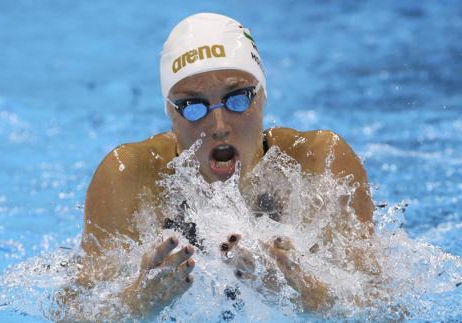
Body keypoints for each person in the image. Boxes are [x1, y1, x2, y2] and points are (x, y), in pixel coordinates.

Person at [73, 12, 374, 319]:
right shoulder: (130, 176)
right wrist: (136, 304)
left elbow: (387, 306)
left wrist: (309, 297)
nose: (218, 125)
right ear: (171, 115)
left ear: (262, 97)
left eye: (237, 99)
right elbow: (70, 309)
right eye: (193, 106)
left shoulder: (318, 163)